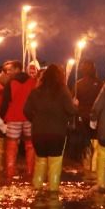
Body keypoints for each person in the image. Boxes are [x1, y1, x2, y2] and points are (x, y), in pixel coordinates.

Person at [24, 64, 77, 193]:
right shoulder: (63, 91)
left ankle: (37, 190)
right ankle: (53, 193)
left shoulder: (36, 92)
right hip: (57, 133)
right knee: (54, 163)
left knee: (40, 161)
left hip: (38, 133)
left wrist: (36, 121)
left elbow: (26, 110)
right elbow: (71, 111)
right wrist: (75, 105)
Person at [0, 60, 36, 178]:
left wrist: (1, 117)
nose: (8, 72)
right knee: (30, 145)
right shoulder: (32, 81)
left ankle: (10, 171)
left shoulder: (10, 83)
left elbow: (5, 102)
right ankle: (31, 171)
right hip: (29, 117)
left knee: (12, 145)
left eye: (11, 69)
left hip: (13, 117)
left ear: (17, 69)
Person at [74, 61, 103, 171]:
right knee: (95, 141)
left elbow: (74, 99)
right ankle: (94, 167)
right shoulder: (100, 83)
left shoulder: (78, 83)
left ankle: (86, 167)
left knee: (85, 141)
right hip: (95, 116)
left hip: (82, 116)